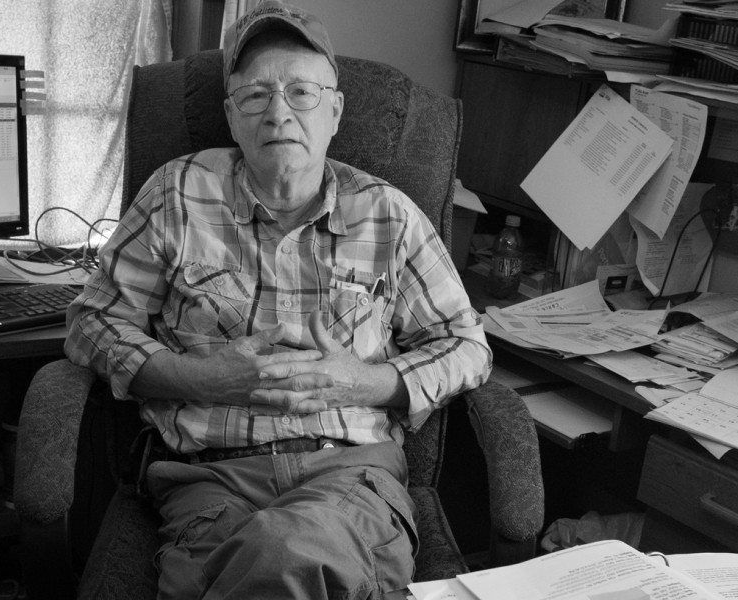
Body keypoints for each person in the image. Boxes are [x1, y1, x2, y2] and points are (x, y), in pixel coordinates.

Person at [64, 1, 491, 597]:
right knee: (290, 562)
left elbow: (467, 345)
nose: (279, 113)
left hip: (351, 475)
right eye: (255, 96)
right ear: (231, 118)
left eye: (301, 92)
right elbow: (91, 323)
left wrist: (365, 383)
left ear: (335, 111)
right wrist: (199, 377)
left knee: (284, 553)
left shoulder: (388, 214)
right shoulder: (177, 193)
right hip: (211, 481)